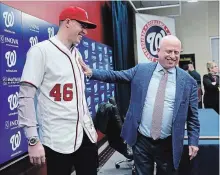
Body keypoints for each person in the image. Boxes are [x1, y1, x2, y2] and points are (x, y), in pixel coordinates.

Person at [79, 35, 200, 175]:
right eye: (168, 51)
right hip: (141, 140)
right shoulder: (141, 70)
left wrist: (193, 141)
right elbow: (116, 75)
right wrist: (91, 72)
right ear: (158, 51)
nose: (172, 56)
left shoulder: (188, 82)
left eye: (176, 52)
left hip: (169, 143)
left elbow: (193, 117)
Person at [18, 6, 98, 175]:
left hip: (85, 134)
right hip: (57, 139)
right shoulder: (40, 51)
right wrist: (33, 139)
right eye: (82, 25)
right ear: (67, 22)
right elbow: (25, 97)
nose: (85, 31)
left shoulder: (77, 54)